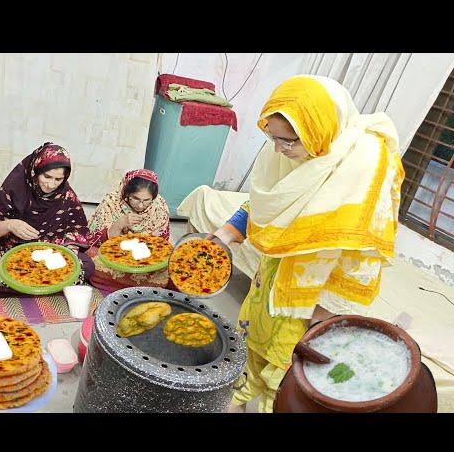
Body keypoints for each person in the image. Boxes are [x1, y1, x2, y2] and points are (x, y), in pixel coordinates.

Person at [212, 75, 405, 413]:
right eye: (272, 138)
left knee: (286, 375)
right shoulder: (290, 152)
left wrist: (324, 314)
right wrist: (226, 233)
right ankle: (240, 398)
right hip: (271, 276)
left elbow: (361, 253)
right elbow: (269, 205)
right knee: (253, 346)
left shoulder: (364, 165)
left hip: (310, 296)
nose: (278, 150)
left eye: (287, 142)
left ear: (317, 132)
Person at [0, 142, 94, 289]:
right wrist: (10, 225)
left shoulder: (67, 196)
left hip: (50, 252)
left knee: (85, 266)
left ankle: (28, 285)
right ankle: (43, 286)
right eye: (47, 176)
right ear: (35, 170)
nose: (51, 185)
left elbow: (78, 232)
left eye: (58, 179)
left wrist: (62, 253)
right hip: (11, 250)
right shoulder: (15, 188)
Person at [87, 169, 170, 292]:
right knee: (90, 258)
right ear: (127, 194)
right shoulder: (112, 201)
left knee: (172, 265)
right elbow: (94, 240)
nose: (141, 205)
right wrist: (120, 223)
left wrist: (149, 241)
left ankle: (119, 283)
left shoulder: (159, 207)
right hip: (113, 254)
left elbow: (162, 245)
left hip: (146, 258)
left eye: (146, 200)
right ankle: (143, 287)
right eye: (135, 198)